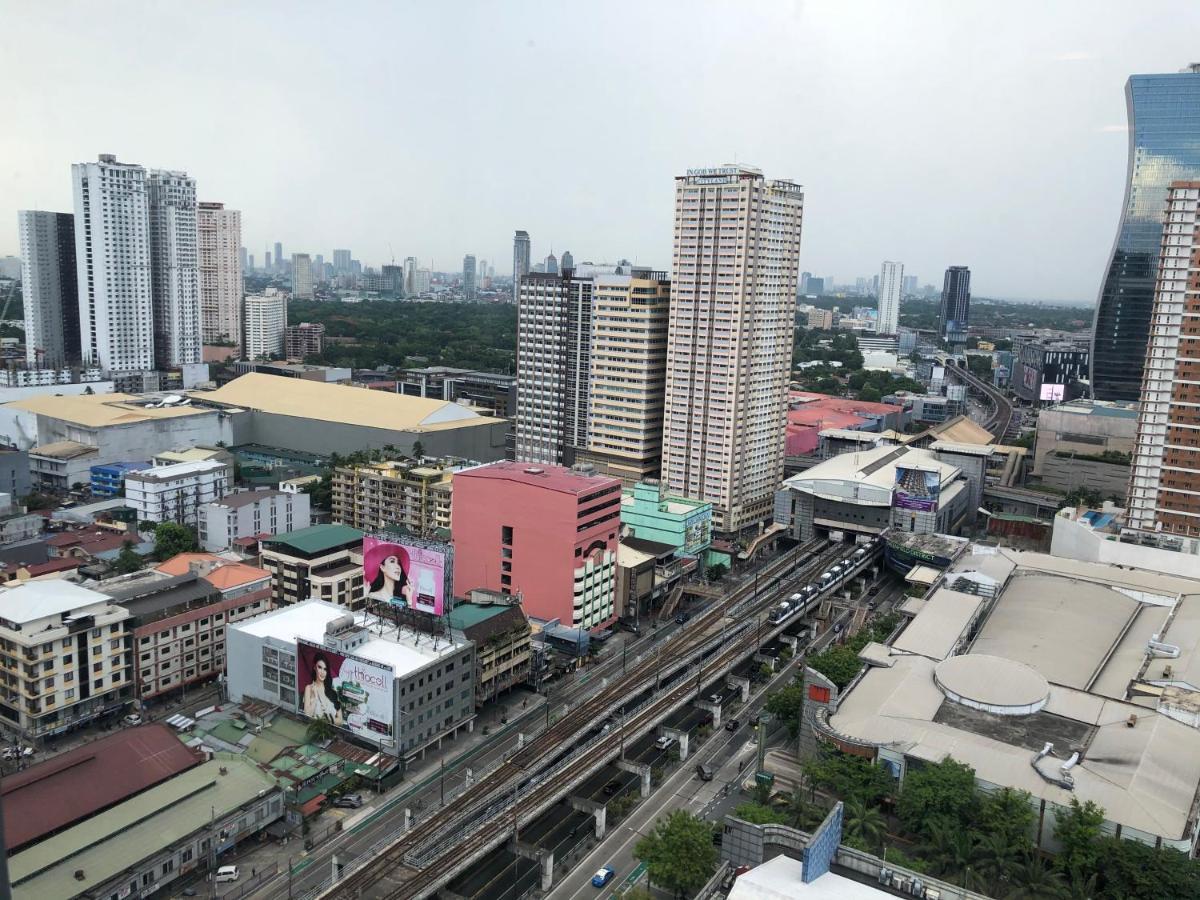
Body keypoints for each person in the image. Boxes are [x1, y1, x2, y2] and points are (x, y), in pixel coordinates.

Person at [365, 542, 415, 606]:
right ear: (382, 567)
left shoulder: (403, 598)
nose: (398, 567)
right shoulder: (373, 595)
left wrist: (409, 600)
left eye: (399, 563)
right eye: (392, 561)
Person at [302, 652, 343, 725]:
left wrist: (329, 719)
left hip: (330, 732)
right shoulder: (309, 688)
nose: (322, 672)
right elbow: (307, 714)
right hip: (314, 731)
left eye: (325, 669)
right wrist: (315, 697)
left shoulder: (332, 692)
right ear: (314, 667)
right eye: (320, 667)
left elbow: (340, 720)